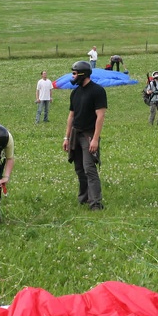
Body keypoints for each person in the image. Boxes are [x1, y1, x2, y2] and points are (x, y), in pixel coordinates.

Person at [63, 60, 107, 211]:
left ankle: (95, 203)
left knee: (89, 168)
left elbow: (100, 116)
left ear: (82, 74)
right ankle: (84, 198)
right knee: (79, 169)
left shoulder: (97, 91)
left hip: (89, 135)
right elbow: (71, 116)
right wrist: (66, 137)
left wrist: (95, 139)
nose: (73, 76)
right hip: (76, 134)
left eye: (74, 73)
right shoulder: (75, 92)